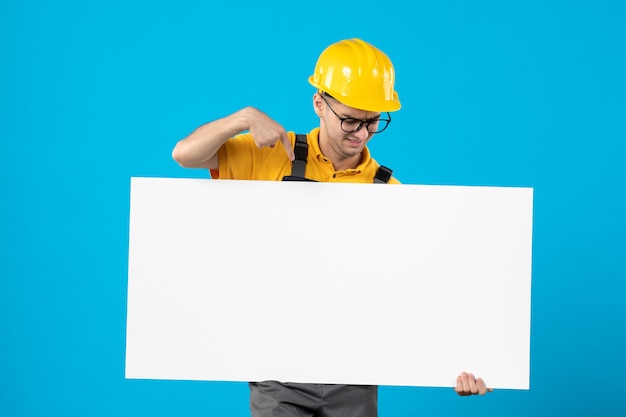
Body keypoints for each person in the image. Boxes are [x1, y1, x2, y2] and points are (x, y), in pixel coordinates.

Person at [172, 38, 492, 417]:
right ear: (319, 104)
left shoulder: (390, 191)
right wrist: (242, 118)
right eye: (351, 120)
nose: (362, 133)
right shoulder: (272, 154)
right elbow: (185, 155)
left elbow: (421, 287)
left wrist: (457, 364)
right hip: (278, 372)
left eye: (374, 122)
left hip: (354, 376)